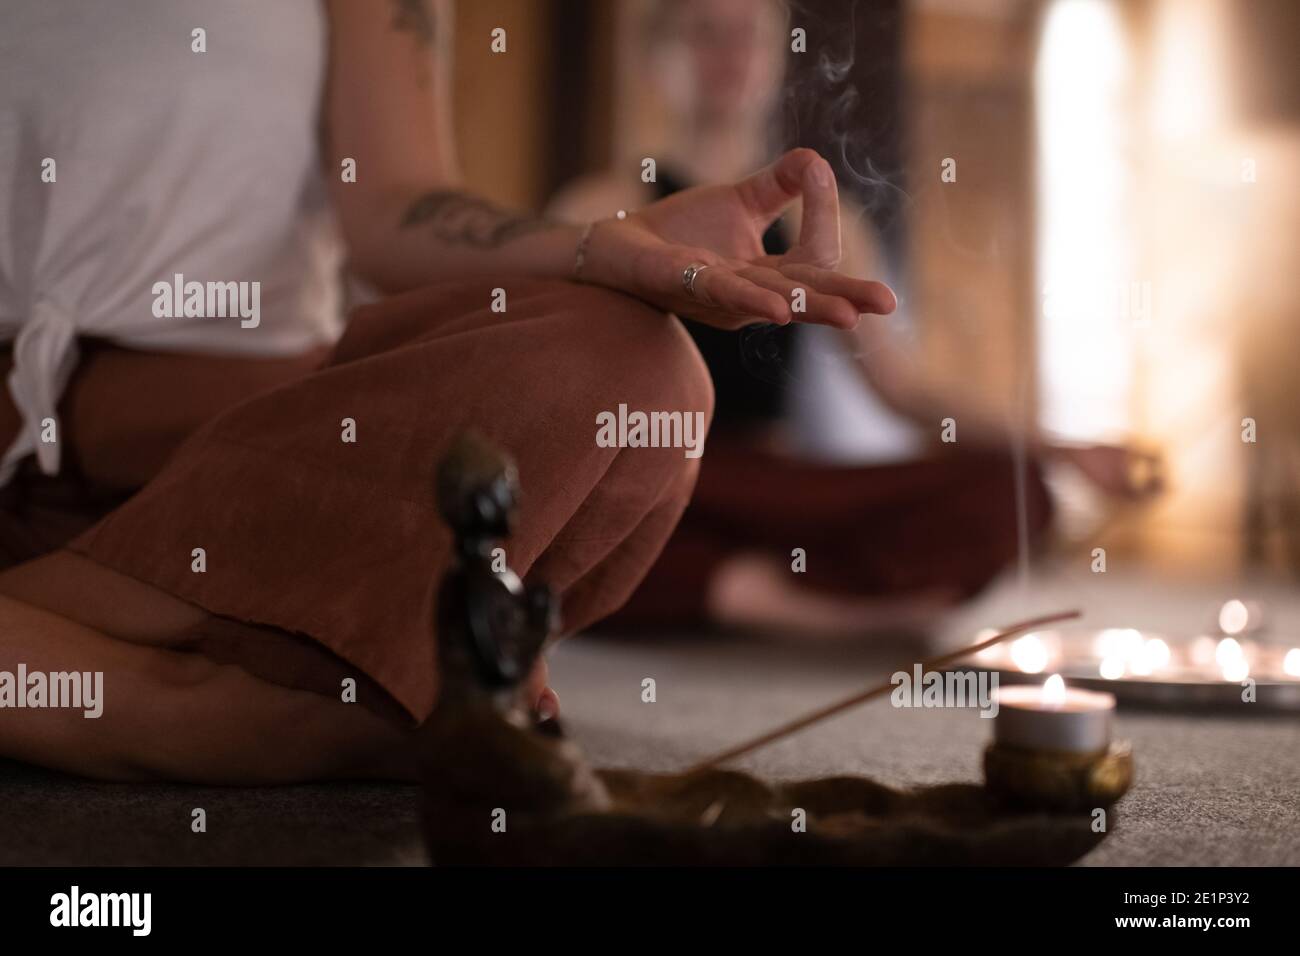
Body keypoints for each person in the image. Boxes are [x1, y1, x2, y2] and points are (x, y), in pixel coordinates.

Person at [0, 0, 895, 783]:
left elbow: (396, 204)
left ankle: (65, 642)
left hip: (240, 442)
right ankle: (210, 711)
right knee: (380, 655)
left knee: (642, 368)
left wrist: (605, 246)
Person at [551, 0, 1161, 636]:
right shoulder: (603, 206)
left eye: (747, 35)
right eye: (704, 33)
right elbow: (566, 393)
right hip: (662, 474)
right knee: (576, 519)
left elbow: (902, 389)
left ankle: (737, 588)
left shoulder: (822, 214)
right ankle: (807, 607)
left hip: (778, 484)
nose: (728, 55)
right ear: (658, 61)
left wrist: (1062, 449)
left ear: (773, 58)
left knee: (1011, 491)